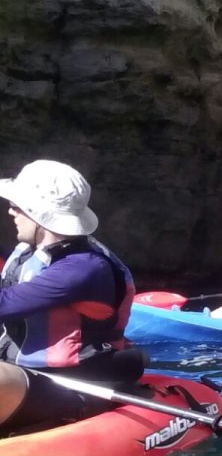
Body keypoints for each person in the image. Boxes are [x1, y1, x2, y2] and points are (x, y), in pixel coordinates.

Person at [0, 160, 143, 432]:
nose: (10, 211)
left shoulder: (83, 267)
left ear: (37, 213)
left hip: (75, 384)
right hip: (29, 376)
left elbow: (3, 303)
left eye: (17, 206)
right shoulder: (29, 253)